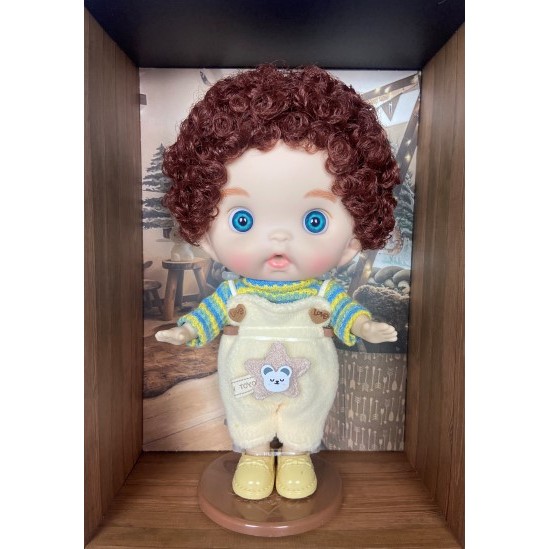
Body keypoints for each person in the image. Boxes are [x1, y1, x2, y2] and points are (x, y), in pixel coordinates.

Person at [156, 65, 400, 500]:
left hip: (312, 377)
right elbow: (208, 314)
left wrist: (364, 326)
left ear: (353, 240)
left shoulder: (322, 294)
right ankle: (252, 454)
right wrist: (188, 329)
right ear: (205, 235)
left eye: (314, 220)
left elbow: (346, 311)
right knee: (245, 411)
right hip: (243, 376)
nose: (278, 239)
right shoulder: (234, 294)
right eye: (243, 220)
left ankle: (296, 456)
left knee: (307, 412)